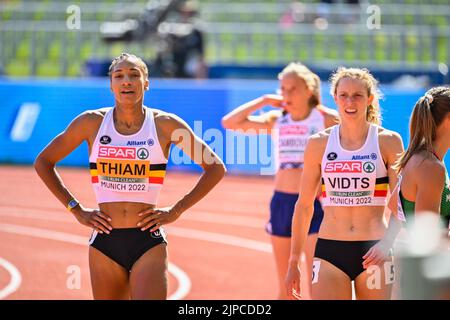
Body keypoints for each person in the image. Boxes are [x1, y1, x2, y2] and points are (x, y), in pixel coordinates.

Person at [34, 53, 226, 300]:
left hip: (147, 241)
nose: (127, 81)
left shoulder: (165, 125)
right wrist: (76, 209)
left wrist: (177, 210)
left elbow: (215, 167)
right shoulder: (91, 123)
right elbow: (44, 162)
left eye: (134, 75)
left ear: (146, 82)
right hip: (105, 241)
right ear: (111, 84)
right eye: (119, 76)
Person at [285, 67, 404, 300]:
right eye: (344, 95)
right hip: (329, 250)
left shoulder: (387, 141)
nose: (350, 101)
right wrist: (293, 260)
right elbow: (304, 206)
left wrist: (387, 243)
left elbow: (401, 202)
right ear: (335, 98)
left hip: (375, 250)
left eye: (358, 95)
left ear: (369, 99)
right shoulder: (318, 144)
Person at [222, 62, 339, 299]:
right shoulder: (277, 119)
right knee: (286, 286)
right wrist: (264, 100)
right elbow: (229, 123)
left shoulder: (326, 119)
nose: (286, 95)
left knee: (317, 282)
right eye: (282, 89)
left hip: (314, 206)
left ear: (309, 90)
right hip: (282, 203)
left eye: (292, 89)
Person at [389, 86, 450, 234]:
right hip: (426, 256)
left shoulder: (423, 158)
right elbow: (428, 237)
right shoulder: (430, 166)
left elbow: (393, 205)